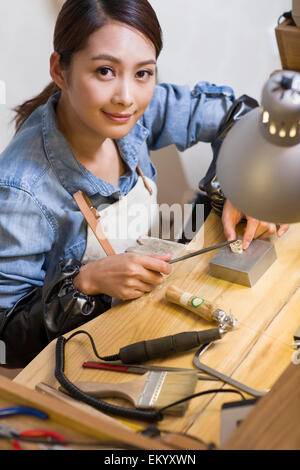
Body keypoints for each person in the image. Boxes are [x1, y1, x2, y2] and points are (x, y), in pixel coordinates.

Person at [0, 0, 288, 368]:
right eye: (105, 71)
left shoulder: (138, 109)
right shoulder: (20, 190)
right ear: (60, 70)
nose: (127, 97)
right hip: (86, 353)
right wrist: (84, 284)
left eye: (143, 73)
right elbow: (8, 336)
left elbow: (239, 114)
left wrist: (240, 183)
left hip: (148, 307)